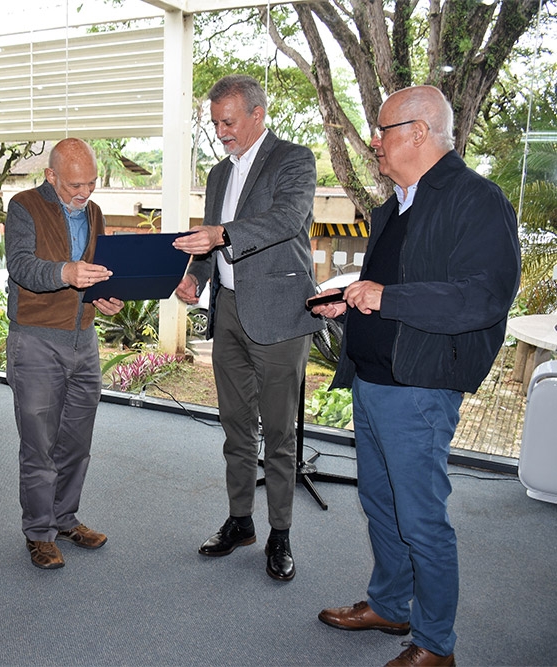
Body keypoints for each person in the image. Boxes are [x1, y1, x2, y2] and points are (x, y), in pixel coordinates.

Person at [311, 86, 520, 666]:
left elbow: (483, 298)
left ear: (421, 131)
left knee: (421, 518)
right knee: (380, 504)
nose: (373, 142)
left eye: (382, 130)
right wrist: (348, 302)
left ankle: (435, 644)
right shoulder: (393, 206)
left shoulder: (476, 199)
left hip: (421, 389)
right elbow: (389, 291)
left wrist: (388, 297)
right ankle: (389, 604)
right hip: (373, 380)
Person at [172, 74, 320, 582]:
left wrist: (222, 233)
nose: (221, 131)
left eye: (229, 121)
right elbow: (211, 242)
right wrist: (195, 277)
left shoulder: (295, 160)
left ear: (258, 113)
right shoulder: (217, 174)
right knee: (236, 425)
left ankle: (280, 534)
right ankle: (241, 521)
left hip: (280, 312)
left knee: (279, 432)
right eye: (214, 123)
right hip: (229, 310)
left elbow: (286, 218)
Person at [5, 138, 124, 570]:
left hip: (84, 339)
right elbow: (20, 265)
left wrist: (106, 296)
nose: (84, 192)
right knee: (39, 446)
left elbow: (96, 272)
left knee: (76, 442)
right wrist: (65, 272)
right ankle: (38, 532)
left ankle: (64, 518)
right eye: (75, 184)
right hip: (35, 341)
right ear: (51, 176)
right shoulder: (23, 206)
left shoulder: (94, 213)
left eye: (91, 183)